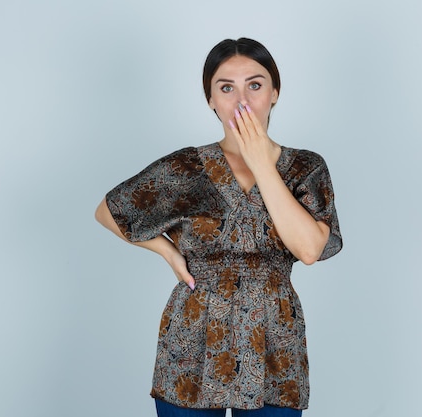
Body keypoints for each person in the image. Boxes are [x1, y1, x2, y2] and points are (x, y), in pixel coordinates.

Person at [95, 37, 342, 417]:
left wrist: (260, 161)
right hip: (192, 341)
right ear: (210, 98)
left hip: (273, 345)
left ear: (275, 92)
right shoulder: (186, 168)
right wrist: (168, 251)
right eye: (226, 88)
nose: (241, 100)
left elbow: (309, 249)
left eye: (255, 85)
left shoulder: (304, 168)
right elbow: (109, 211)